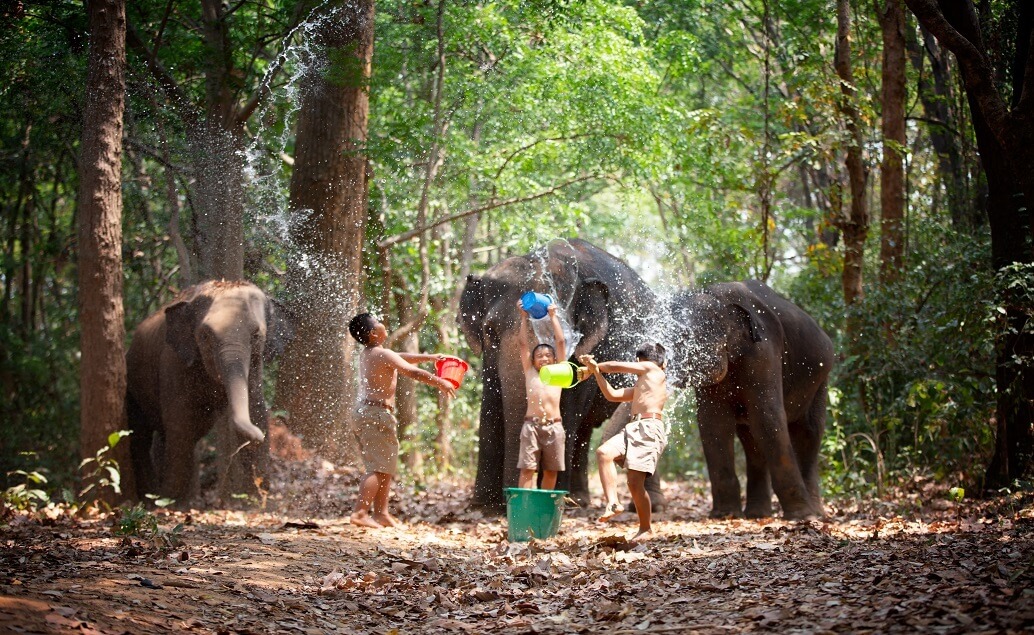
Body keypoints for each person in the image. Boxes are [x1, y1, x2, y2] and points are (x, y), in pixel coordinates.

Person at [347, 312, 459, 529]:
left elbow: (400, 357)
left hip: (368, 412)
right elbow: (410, 371)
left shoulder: (370, 353)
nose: (383, 323)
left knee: (385, 465)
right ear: (373, 333)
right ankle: (360, 513)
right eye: (379, 322)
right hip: (376, 413)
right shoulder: (382, 353)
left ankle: (381, 513)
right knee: (377, 467)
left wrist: (430, 358)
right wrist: (440, 382)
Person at [579, 343, 668, 542]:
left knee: (635, 484)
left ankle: (646, 528)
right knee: (604, 453)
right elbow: (612, 395)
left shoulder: (652, 369)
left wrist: (593, 367)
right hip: (633, 427)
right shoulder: (641, 385)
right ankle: (613, 502)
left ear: (639, 361)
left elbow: (613, 366)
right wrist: (596, 374)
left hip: (649, 427)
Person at [516, 300, 568, 491]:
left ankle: (543, 511)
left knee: (551, 471)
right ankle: (524, 508)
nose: (544, 358)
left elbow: (561, 342)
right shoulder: (530, 372)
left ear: (554, 359)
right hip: (532, 426)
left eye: (548, 355)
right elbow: (522, 344)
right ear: (533, 360)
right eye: (539, 355)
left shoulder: (559, 373)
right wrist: (523, 317)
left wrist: (553, 317)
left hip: (554, 427)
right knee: (528, 469)